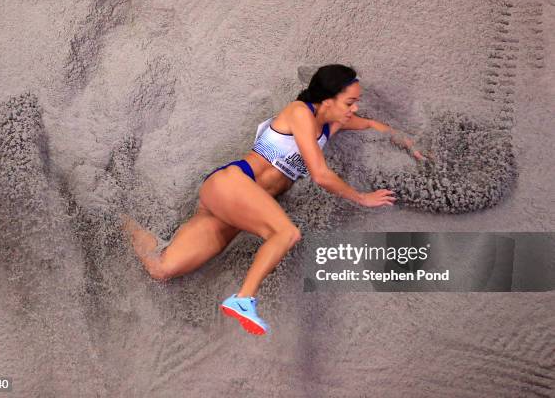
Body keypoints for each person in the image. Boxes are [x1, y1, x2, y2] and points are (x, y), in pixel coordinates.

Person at [121, 64, 425, 336]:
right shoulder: (299, 112)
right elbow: (319, 174)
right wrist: (362, 198)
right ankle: (243, 300)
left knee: (162, 268)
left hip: (236, 209)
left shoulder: (334, 123)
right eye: (350, 102)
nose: (354, 108)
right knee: (286, 233)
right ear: (327, 99)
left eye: (356, 102)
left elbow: (372, 125)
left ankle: (117, 218)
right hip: (232, 183)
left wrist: (403, 139)